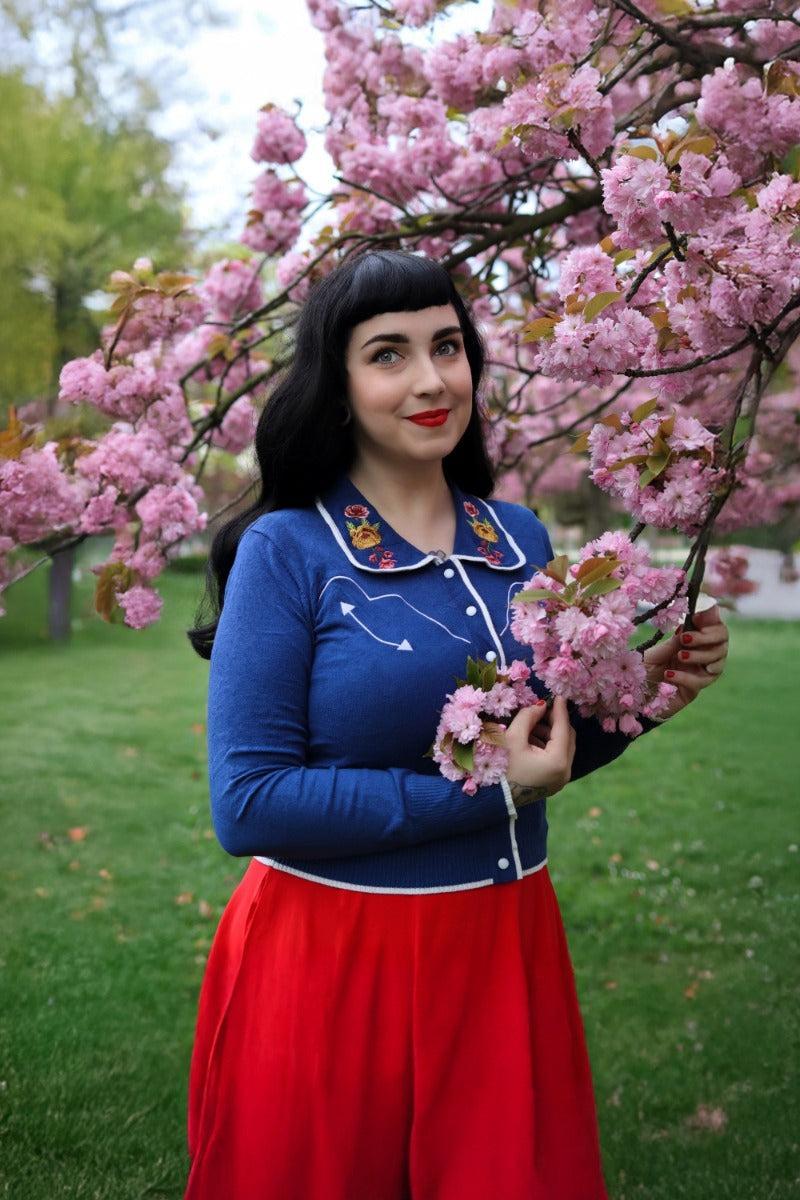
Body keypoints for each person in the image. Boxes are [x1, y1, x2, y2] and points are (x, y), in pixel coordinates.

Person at [183, 249, 729, 1200]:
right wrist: (489, 793)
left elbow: (536, 752)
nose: (432, 380)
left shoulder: (517, 539)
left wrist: (642, 696)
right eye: (388, 354)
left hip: (505, 942)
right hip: (333, 957)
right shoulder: (290, 549)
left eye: (448, 346)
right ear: (339, 387)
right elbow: (249, 803)